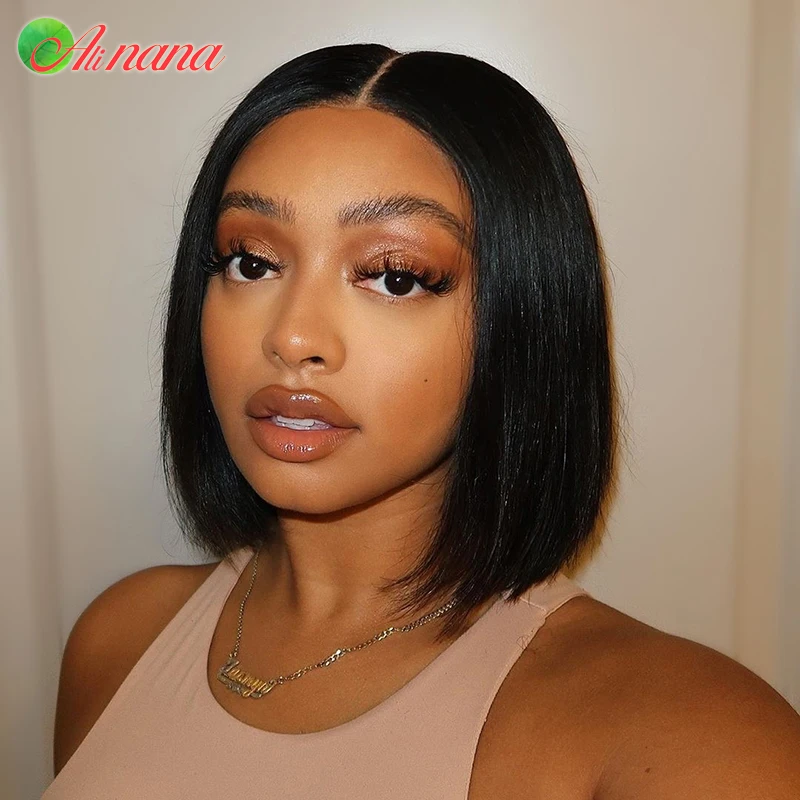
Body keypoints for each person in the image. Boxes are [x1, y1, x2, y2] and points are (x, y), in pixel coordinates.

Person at [44, 43, 800, 799]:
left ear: (521, 320)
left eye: (395, 277)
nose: (293, 337)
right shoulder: (120, 640)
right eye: (252, 262)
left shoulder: (697, 742)